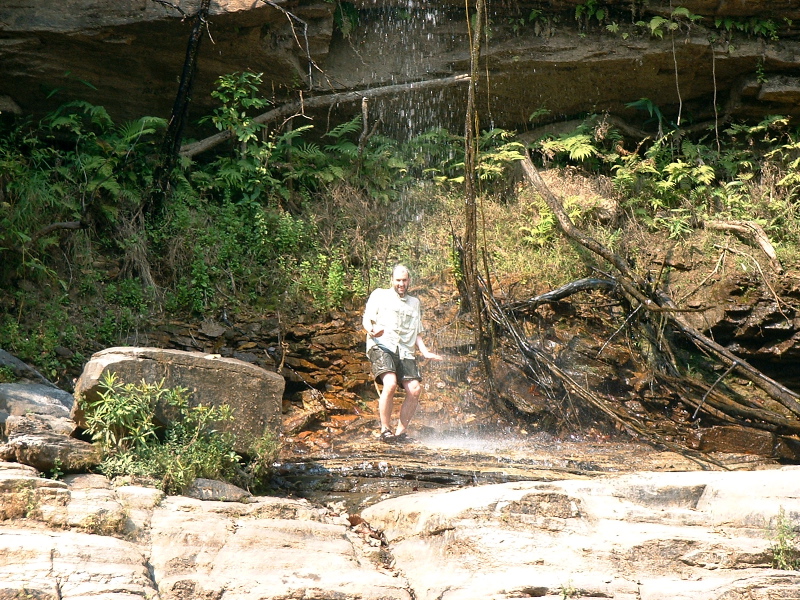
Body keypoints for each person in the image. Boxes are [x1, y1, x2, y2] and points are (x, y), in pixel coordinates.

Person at [362, 264, 443, 442]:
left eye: (404, 280)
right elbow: (367, 318)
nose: (401, 284)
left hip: (405, 351)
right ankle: (385, 430)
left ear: (409, 281)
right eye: (398, 280)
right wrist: (372, 330)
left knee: (414, 389)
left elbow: (416, 332)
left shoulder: (415, 303)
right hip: (381, 344)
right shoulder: (379, 294)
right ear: (392, 280)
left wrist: (425, 351)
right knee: (390, 383)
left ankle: (400, 433)